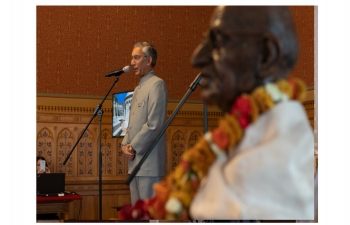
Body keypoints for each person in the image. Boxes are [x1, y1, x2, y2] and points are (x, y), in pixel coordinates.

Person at [119, 6, 314, 221]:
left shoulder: (283, 140)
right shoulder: (241, 130)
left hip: (146, 160)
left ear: (267, 54)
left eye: (219, 42)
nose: (198, 58)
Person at [121, 42, 168, 205]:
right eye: (132, 58)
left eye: (136, 57)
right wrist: (124, 144)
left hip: (149, 165)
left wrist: (132, 146)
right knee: (137, 216)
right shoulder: (138, 89)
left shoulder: (157, 84)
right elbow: (131, 123)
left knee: (149, 216)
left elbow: (154, 123)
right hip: (134, 164)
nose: (132, 62)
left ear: (148, 60)